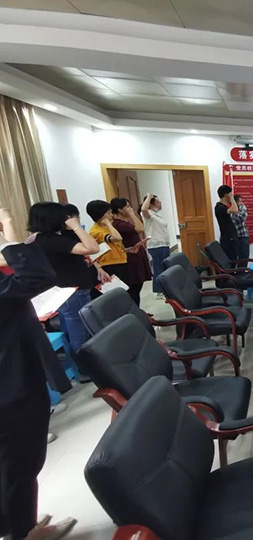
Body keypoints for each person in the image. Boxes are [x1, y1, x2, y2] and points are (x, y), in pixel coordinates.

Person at [0, 208, 77, 540]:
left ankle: (16, 523)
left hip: (12, 375)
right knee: (19, 462)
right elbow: (37, 277)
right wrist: (9, 236)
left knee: (13, 462)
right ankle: (22, 532)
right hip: (10, 382)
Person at [28, 202, 100, 367]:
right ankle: (84, 368)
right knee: (80, 332)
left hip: (61, 290)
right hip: (73, 291)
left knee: (70, 329)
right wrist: (76, 226)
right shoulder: (53, 240)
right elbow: (93, 248)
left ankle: (76, 365)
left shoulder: (37, 239)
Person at [110, 198, 152, 306]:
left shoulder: (125, 222)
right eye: (127, 207)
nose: (130, 209)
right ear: (120, 210)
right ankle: (134, 310)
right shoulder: (118, 224)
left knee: (137, 288)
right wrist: (132, 215)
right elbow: (140, 228)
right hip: (130, 260)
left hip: (135, 255)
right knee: (133, 289)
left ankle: (137, 310)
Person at [87, 199, 130, 296]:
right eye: (108, 213)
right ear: (101, 215)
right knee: (116, 295)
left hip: (120, 262)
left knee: (125, 292)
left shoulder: (107, 227)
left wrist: (128, 250)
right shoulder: (96, 231)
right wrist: (108, 223)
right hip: (109, 266)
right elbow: (118, 238)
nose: (112, 215)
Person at [140, 193, 171, 299]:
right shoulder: (147, 213)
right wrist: (149, 196)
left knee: (164, 267)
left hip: (164, 244)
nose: (160, 203)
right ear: (151, 204)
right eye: (158, 202)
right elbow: (143, 208)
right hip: (156, 245)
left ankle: (165, 289)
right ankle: (159, 291)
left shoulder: (156, 214)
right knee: (159, 268)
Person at [215, 185, 239, 261]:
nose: (232, 195)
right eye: (230, 194)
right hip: (228, 240)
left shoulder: (224, 207)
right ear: (226, 195)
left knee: (234, 259)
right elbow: (235, 209)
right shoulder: (219, 207)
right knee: (231, 261)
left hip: (230, 239)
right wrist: (232, 198)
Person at [231, 194, 251, 262]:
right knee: (241, 259)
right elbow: (241, 218)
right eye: (240, 202)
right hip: (239, 238)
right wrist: (240, 208)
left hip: (244, 236)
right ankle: (241, 269)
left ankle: (243, 268)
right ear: (235, 202)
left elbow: (243, 216)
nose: (242, 204)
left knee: (245, 258)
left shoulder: (239, 209)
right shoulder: (232, 211)